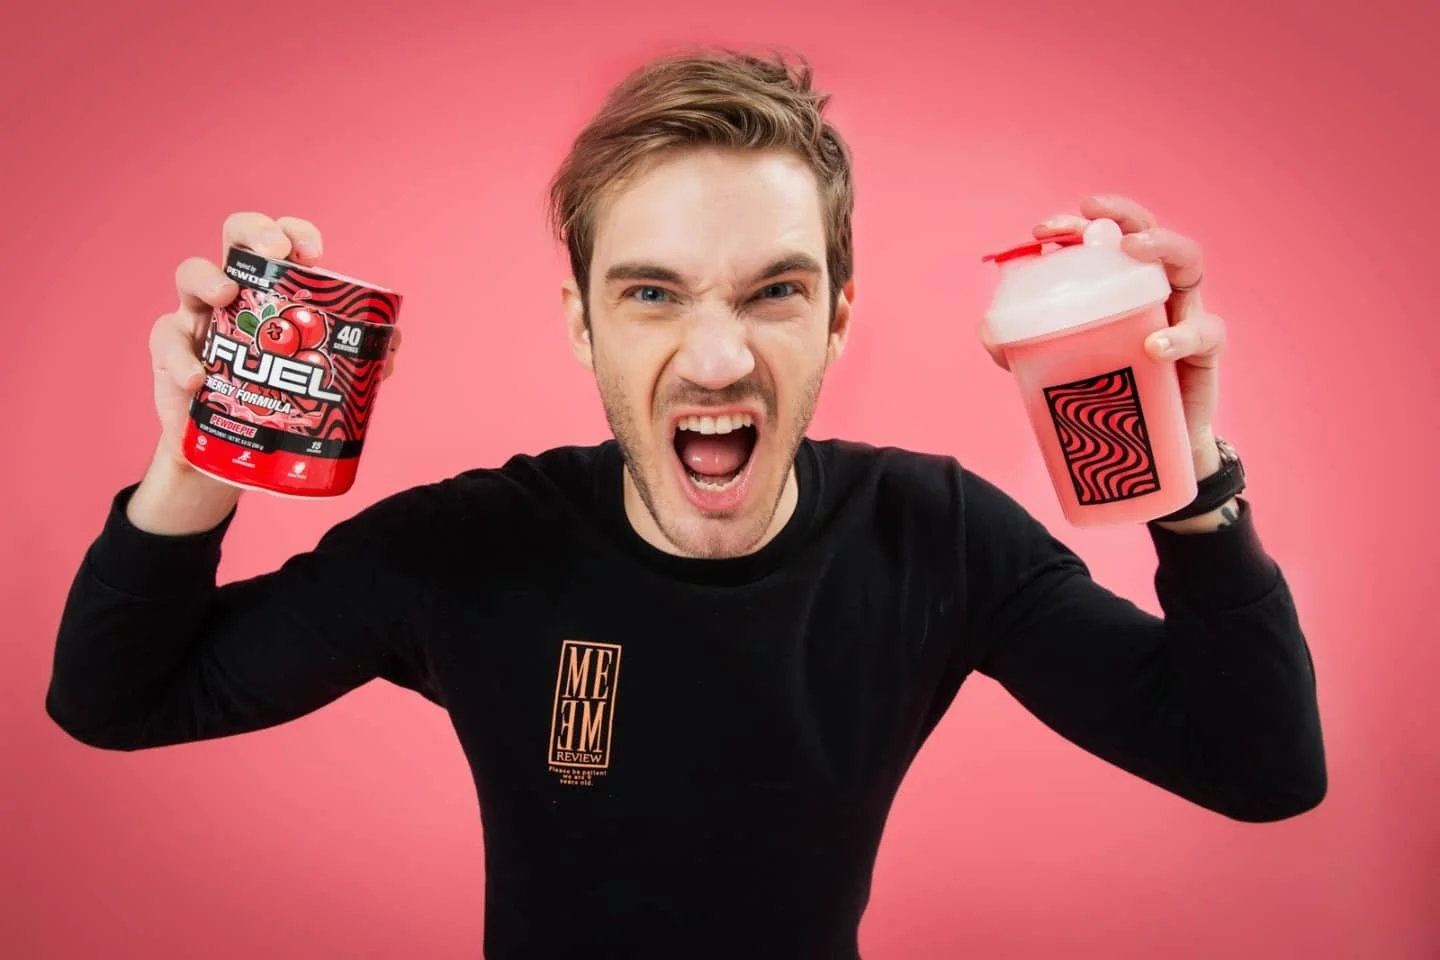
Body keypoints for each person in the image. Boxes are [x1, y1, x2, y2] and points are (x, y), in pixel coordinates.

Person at [45, 48, 1326, 959]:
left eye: (772, 291)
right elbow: (118, 699)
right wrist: (197, 467)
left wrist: (1182, 463)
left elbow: (1259, 767)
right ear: (580, 320)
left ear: (836, 315)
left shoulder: (935, 537)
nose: (716, 361)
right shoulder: (464, 550)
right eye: (652, 293)